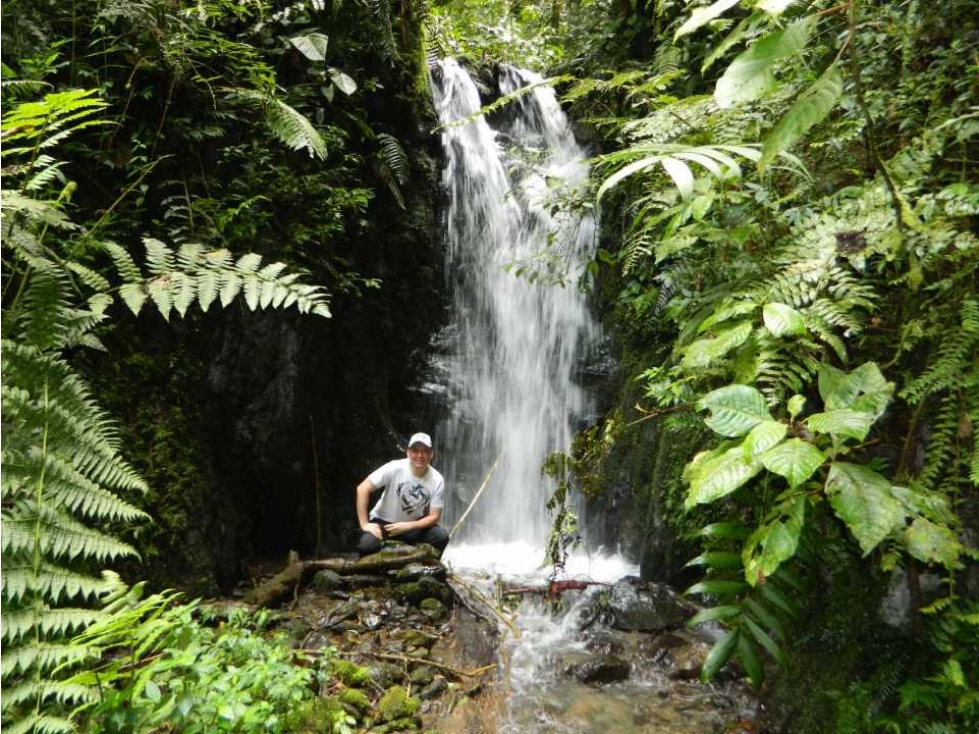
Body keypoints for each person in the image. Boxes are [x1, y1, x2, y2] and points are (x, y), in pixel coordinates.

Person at [355, 432, 449, 556]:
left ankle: (426, 569)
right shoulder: (395, 467)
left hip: (412, 526)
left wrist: (407, 526)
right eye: (415, 451)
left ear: (431, 454)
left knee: (441, 537)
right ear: (408, 453)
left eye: (425, 451)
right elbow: (362, 489)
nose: (420, 455)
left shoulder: (437, 479)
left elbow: (434, 516)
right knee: (366, 546)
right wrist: (364, 524)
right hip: (383, 523)